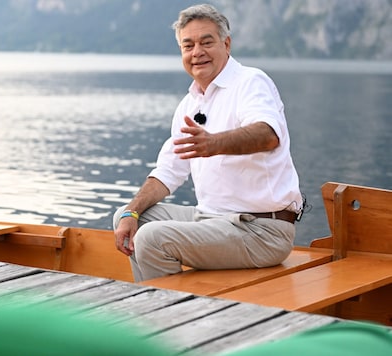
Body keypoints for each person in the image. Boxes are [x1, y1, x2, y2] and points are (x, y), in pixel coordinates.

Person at [113, 4, 303, 282]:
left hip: (262, 231)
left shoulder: (250, 81)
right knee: (127, 218)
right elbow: (168, 171)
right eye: (187, 45)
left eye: (206, 42)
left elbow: (268, 135)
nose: (197, 52)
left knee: (153, 238)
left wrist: (214, 143)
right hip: (211, 219)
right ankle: (161, 299)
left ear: (226, 44)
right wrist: (132, 210)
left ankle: (167, 315)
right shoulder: (189, 105)